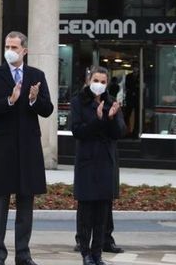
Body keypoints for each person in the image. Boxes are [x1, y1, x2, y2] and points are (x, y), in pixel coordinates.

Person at [0, 31, 54, 265]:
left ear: (25, 50)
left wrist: (33, 99)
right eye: (7, 46)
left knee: (25, 204)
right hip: (3, 147)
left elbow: (48, 109)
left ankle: (23, 253)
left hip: (28, 148)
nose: (9, 50)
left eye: (14, 47)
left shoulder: (36, 75)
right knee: (0, 203)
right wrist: (9, 101)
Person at [70, 66, 125, 265]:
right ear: (88, 80)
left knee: (102, 212)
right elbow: (77, 131)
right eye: (96, 80)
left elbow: (119, 132)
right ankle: (85, 253)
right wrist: (98, 120)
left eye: (103, 81)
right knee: (85, 212)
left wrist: (110, 118)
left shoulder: (112, 103)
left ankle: (98, 253)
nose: (99, 85)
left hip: (105, 163)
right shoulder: (78, 102)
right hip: (87, 162)